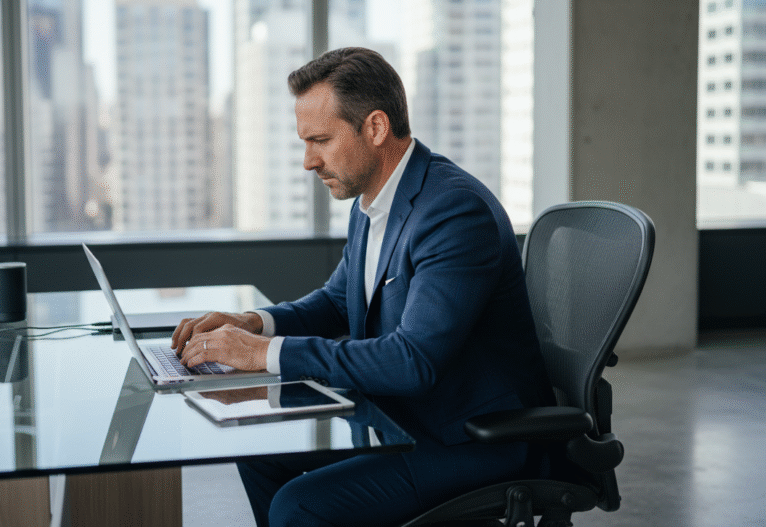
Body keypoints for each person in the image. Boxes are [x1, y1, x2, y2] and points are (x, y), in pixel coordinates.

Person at [171, 47, 554, 527]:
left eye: (321, 140)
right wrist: (253, 324)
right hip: (401, 416)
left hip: (470, 438)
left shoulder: (454, 212)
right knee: (258, 451)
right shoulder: (372, 202)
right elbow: (337, 302)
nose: (308, 161)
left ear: (375, 127)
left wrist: (264, 354)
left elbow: (412, 361)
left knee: (298, 505)